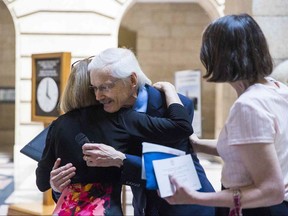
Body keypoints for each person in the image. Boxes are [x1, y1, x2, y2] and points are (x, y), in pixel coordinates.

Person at [50, 47, 216, 216]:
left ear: (132, 80)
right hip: (144, 209)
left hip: (188, 207)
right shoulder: (107, 113)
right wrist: (59, 187)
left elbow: (171, 171)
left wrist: (121, 159)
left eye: (106, 87)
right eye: (95, 88)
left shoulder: (174, 106)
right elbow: (91, 181)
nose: (99, 96)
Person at [163, 13, 288, 216]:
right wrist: (199, 145)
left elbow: (271, 191)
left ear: (221, 56)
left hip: (257, 209)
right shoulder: (277, 88)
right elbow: (255, 152)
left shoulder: (249, 105)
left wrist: (194, 197)